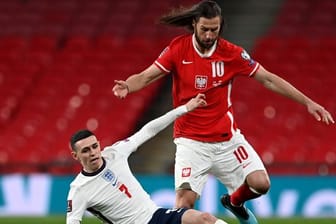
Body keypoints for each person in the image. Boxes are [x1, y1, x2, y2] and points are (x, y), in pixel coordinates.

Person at [112, 0, 335, 224]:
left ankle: (234, 202)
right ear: (194, 24)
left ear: (221, 27)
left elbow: (267, 78)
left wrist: (308, 102)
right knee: (183, 207)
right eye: (204, 29)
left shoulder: (232, 54)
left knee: (261, 184)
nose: (209, 35)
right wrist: (128, 86)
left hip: (227, 140)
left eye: (214, 30)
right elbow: (146, 76)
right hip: (191, 143)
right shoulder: (178, 49)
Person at [66, 94, 229, 224]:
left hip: (157, 216)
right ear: (76, 156)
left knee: (205, 219)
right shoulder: (79, 190)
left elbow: (148, 130)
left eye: (94, 146)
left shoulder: (115, 153)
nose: (93, 152)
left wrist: (184, 108)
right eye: (86, 150)